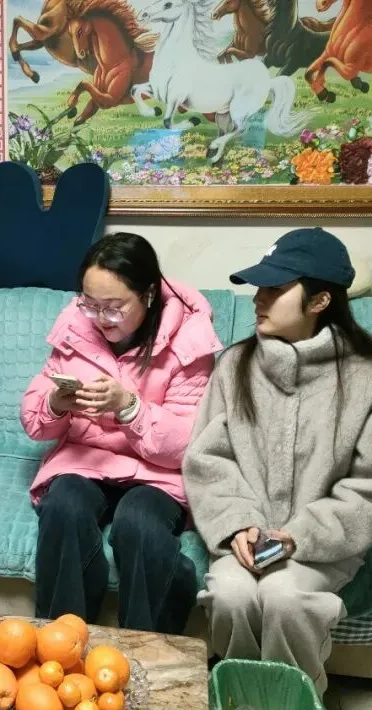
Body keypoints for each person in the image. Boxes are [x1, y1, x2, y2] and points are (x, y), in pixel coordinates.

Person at [184, 227, 372, 697]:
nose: (258, 299)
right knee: (230, 595)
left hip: (322, 544)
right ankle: (239, 706)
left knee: (285, 597)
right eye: (259, 287)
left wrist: (300, 535)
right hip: (245, 538)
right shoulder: (234, 366)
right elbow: (208, 458)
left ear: (320, 301)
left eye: (275, 289)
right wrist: (238, 524)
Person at [21, 232, 222, 633]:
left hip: (156, 473)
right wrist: (56, 404)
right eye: (90, 304)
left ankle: (149, 647)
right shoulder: (75, 327)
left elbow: (188, 444)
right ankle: (63, 641)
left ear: (148, 294)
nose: (100, 318)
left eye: (114, 307)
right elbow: (33, 420)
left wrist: (129, 407)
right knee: (63, 507)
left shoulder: (189, 340)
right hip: (85, 460)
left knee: (139, 523)